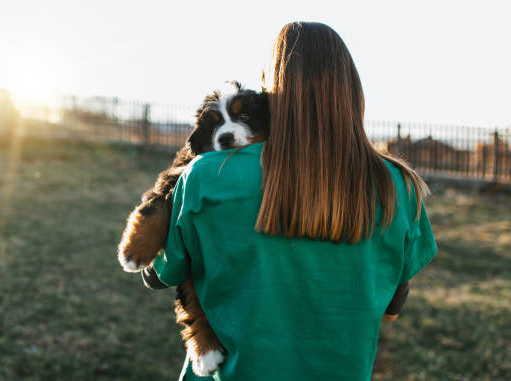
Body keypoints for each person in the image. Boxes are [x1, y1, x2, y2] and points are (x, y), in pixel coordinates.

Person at [147, 21, 437, 381]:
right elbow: (392, 307)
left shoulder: (207, 175)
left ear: (271, 94)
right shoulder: (399, 186)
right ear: (352, 92)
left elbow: (156, 274)